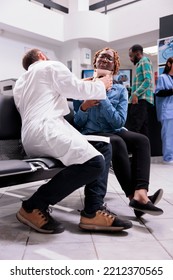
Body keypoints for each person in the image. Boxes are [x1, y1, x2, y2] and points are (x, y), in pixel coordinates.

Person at [13, 48, 132, 234]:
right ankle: (32, 206)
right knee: (94, 162)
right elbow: (76, 89)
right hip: (47, 131)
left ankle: (93, 210)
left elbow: (66, 87)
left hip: (33, 137)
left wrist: (86, 83)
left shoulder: (22, 82)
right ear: (42, 56)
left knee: (102, 146)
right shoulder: (49, 66)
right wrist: (102, 84)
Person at [73, 47, 163, 218]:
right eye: (101, 57)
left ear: (114, 68)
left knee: (142, 140)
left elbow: (118, 122)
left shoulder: (120, 90)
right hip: (92, 133)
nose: (105, 60)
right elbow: (78, 124)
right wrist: (84, 106)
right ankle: (135, 198)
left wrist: (103, 96)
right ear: (95, 62)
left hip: (114, 130)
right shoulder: (82, 87)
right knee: (116, 142)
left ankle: (141, 192)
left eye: (109, 58)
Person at [128, 44, 154, 138]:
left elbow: (148, 80)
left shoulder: (144, 61)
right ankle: (144, 152)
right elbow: (142, 82)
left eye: (131, 56)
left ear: (137, 54)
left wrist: (135, 94)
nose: (130, 59)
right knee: (143, 130)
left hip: (141, 100)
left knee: (135, 128)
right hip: (142, 100)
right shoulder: (140, 64)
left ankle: (135, 152)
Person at [155, 57, 173, 164]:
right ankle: (168, 158)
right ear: (169, 64)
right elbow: (159, 93)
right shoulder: (163, 77)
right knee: (168, 135)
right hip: (168, 111)